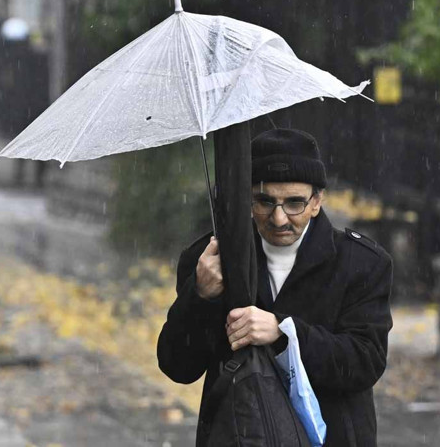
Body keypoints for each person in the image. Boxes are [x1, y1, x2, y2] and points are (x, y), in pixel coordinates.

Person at [157, 128, 393, 446]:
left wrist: (284, 333)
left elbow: (365, 362)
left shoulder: (361, 263)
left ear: (317, 201)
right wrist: (200, 294)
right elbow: (178, 366)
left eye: (294, 203)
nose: (279, 218)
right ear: (246, 198)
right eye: (264, 201)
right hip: (239, 436)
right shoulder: (208, 259)